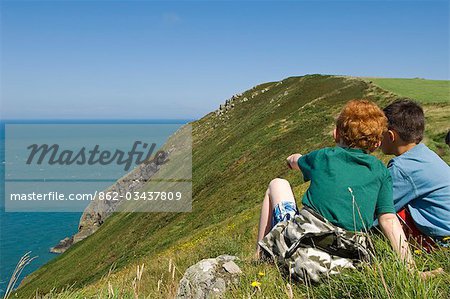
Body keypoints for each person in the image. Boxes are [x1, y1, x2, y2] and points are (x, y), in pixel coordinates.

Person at [256, 99, 414, 271]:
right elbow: (388, 220)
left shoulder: (324, 156)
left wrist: (292, 159)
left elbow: (296, 161)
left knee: (277, 184)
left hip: (298, 256)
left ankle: (261, 255)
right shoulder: (381, 171)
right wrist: (411, 269)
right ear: (377, 144)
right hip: (346, 266)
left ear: (336, 134)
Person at [380, 99, 450, 250]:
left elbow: (377, 207)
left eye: (380, 133)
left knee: (388, 213)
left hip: (444, 243)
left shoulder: (403, 168)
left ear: (391, 136)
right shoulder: (426, 155)